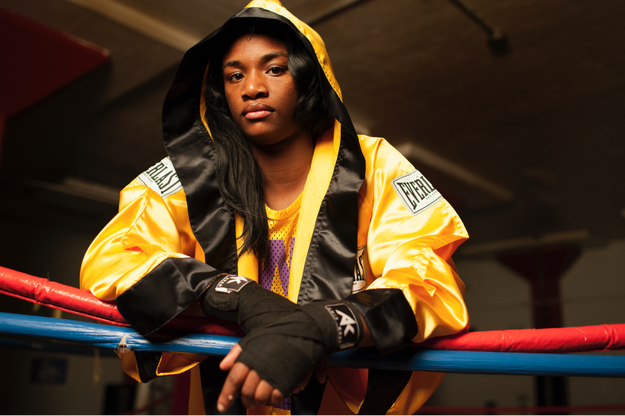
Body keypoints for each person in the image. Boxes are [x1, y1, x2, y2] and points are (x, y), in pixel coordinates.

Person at [80, 0, 469, 414]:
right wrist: (241, 299)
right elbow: (113, 261)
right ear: (220, 91)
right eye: (234, 75)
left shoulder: (375, 166)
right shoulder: (188, 175)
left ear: (308, 77)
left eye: (275, 68)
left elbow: (430, 283)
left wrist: (318, 326)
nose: (252, 88)